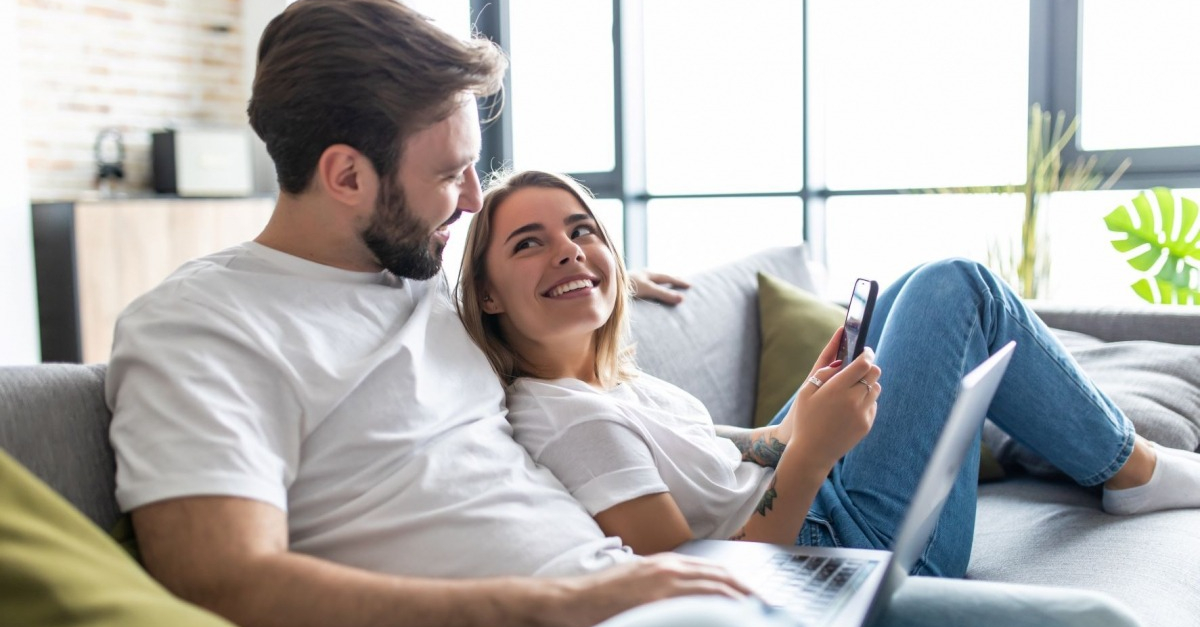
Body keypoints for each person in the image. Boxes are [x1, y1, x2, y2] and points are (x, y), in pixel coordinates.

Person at [103, 2, 1148, 626]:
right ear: (343, 174)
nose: (472, 201)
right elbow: (225, 580)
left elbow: (526, 296)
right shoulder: (204, 330)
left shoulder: (419, 283)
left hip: (677, 595)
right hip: (599, 610)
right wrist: (556, 605)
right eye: (453, 176)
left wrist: (608, 277)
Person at [455, 170, 1200, 613]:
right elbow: (696, 584)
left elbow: (733, 451)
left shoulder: (603, 377)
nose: (568, 250)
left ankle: (1097, 455)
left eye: (582, 231)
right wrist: (809, 454)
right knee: (957, 286)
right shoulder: (568, 420)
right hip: (837, 548)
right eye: (530, 243)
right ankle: (1136, 471)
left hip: (803, 491)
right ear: (486, 294)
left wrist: (796, 417)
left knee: (909, 289)